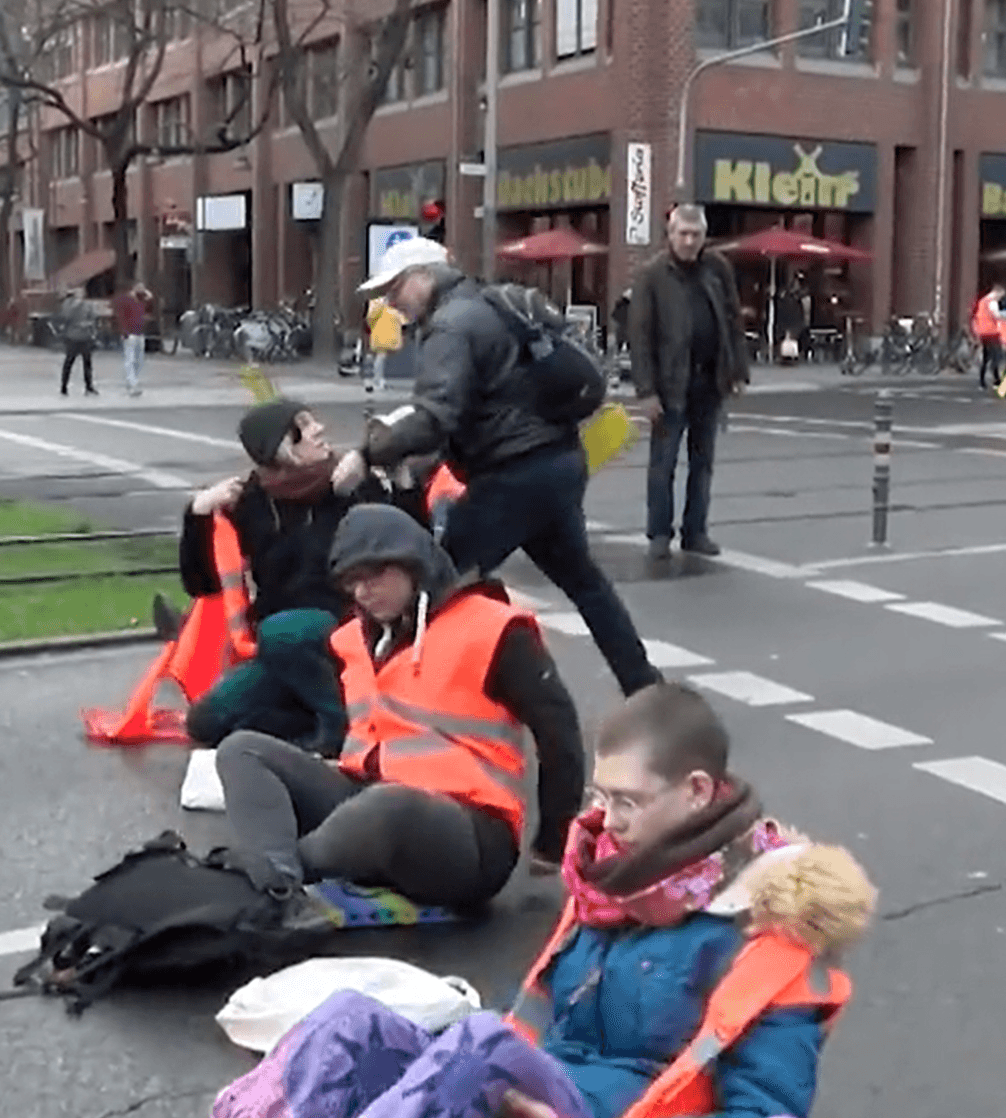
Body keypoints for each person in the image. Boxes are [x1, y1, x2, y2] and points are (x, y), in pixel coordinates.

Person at [212, 681, 876, 1118]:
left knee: (476, 1042)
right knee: (348, 1022)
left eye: (628, 801)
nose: (606, 820)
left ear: (697, 791)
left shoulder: (770, 928)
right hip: (540, 1089)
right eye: (602, 795)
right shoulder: (622, 882)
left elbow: (766, 1108)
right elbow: (538, 1022)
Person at [212, 503, 584, 920]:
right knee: (241, 750)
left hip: (470, 833)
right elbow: (361, 729)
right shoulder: (352, 638)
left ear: (415, 565)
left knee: (390, 805)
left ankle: (267, 883)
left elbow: (559, 733)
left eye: (374, 574)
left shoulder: (493, 628)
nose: (362, 592)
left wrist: (553, 841)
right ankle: (277, 880)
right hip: (368, 801)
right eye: (352, 581)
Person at [357, 236, 661, 698]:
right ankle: (644, 688)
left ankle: (407, 694)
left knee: (434, 580)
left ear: (422, 277)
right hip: (556, 462)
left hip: (511, 475)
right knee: (586, 584)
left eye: (395, 288)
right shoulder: (488, 302)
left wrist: (367, 454)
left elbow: (436, 413)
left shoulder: (450, 326)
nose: (390, 302)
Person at [176, 399, 401, 754]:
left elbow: (406, 546)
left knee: (285, 631)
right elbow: (202, 584)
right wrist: (198, 515)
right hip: (280, 647)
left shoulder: (351, 482)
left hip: (348, 629)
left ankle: (338, 728)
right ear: (280, 448)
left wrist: (375, 485)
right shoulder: (251, 500)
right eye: (304, 427)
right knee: (205, 722)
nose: (319, 430)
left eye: (314, 422)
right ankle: (311, 714)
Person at [629, 205, 752, 561]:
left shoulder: (717, 268)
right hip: (670, 386)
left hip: (708, 381)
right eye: (682, 234)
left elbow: (731, 320)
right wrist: (646, 391)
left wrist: (736, 371)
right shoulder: (652, 274)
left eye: (695, 234)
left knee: (703, 463)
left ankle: (695, 531)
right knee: (663, 464)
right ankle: (658, 533)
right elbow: (641, 336)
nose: (689, 241)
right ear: (670, 235)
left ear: (703, 236)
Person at [57, 288, 99, 396]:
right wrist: (74, 306)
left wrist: (90, 326)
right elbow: (65, 317)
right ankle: (64, 386)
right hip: (72, 336)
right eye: (78, 293)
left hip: (85, 336)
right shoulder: (68, 304)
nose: (80, 295)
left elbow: (93, 318)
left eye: (81, 293)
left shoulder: (88, 305)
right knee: (69, 362)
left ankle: (89, 386)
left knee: (87, 363)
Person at [112, 282, 152, 396]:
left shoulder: (142, 301)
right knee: (130, 359)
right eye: (139, 289)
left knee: (139, 359)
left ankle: (133, 379)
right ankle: (132, 381)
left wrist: (149, 298)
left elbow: (150, 309)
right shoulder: (127, 300)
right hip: (130, 334)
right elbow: (121, 316)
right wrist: (124, 331)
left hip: (140, 333)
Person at [972, 282, 1006, 390]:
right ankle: (997, 381)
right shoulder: (992, 302)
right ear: (997, 292)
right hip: (992, 332)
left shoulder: (982, 301)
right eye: (1001, 296)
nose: (1000, 298)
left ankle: (982, 381)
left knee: (986, 358)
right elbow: (996, 315)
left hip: (983, 333)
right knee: (996, 357)